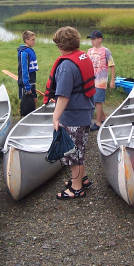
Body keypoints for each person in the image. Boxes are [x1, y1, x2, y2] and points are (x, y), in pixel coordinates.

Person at [44, 26, 96, 199]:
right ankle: (83, 179)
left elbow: (64, 96)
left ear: (60, 46)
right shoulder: (83, 56)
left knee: (74, 154)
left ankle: (76, 188)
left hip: (74, 117)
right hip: (84, 112)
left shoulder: (66, 66)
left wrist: (55, 117)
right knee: (79, 150)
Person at [86, 30, 115, 131]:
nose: (92, 41)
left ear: (100, 39)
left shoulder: (105, 51)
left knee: (98, 101)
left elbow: (112, 65)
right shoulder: (89, 51)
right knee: (94, 100)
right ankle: (103, 118)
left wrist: (112, 80)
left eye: (94, 39)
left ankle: (98, 123)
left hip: (101, 81)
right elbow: (87, 65)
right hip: (91, 80)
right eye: (91, 39)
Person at [17, 30, 39, 116]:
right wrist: (27, 86)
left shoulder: (30, 50)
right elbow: (24, 70)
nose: (34, 41)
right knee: (26, 105)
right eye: (32, 39)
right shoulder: (24, 52)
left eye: (34, 39)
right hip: (26, 83)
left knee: (34, 101)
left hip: (32, 82)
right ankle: (23, 118)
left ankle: (34, 117)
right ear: (26, 40)